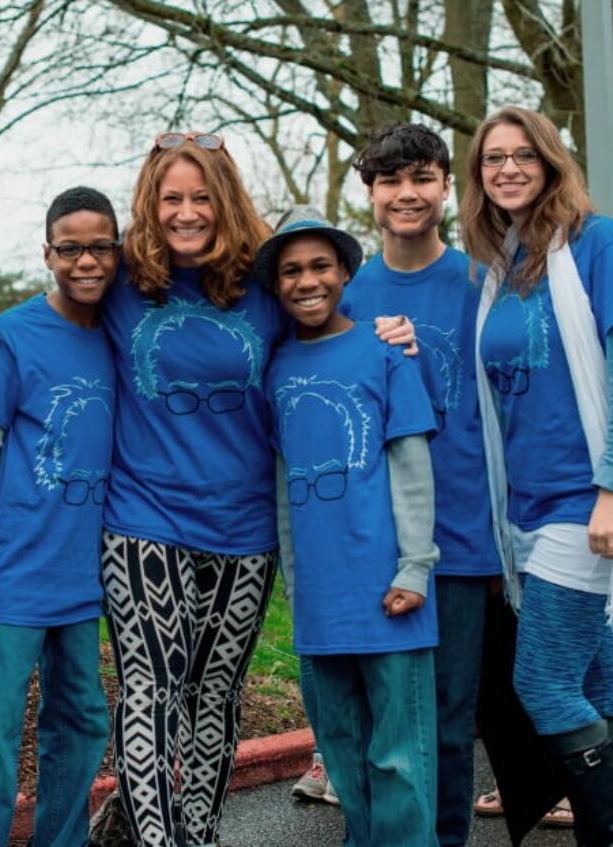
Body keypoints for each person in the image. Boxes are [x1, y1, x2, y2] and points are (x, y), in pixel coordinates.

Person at [0, 134, 414, 846]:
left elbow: (334, 313)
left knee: (215, 695)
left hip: (245, 531)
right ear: (151, 204)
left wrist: (391, 327)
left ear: (225, 201)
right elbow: (54, 307)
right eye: (171, 197)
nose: (186, 211)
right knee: (148, 688)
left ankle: (200, 833)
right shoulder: (122, 285)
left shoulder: (267, 286)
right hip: (143, 518)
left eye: (201, 196)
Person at [462, 106, 613, 846]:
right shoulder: (506, 266)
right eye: (492, 159)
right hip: (528, 505)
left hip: (589, 501)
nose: (507, 168)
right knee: (585, 683)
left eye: (523, 155)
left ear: (551, 163)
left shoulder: (600, 244)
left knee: (540, 681)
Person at [319, 122, 499, 844]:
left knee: (450, 724)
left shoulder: (482, 282)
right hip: (371, 542)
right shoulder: (346, 295)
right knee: (377, 725)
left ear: (447, 187)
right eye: (391, 181)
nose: (407, 194)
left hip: (463, 538)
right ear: (370, 192)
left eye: (422, 178)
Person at [258, 206, 440, 845]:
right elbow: (282, 483)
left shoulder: (383, 352)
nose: (307, 281)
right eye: (291, 271)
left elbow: (411, 464)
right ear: (275, 284)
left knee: (399, 757)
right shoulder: (274, 369)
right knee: (342, 754)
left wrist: (416, 565)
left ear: (343, 273)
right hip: (320, 598)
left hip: (391, 586)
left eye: (320, 267)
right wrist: (294, 574)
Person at [0, 187, 118, 846]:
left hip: (86, 575)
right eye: (71, 248)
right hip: (12, 570)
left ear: (118, 251)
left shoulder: (122, 331)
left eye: (100, 246)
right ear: (47, 254)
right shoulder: (14, 334)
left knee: (81, 719)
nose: (86, 261)